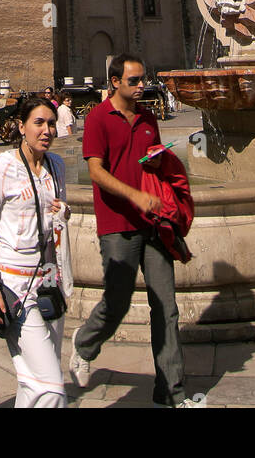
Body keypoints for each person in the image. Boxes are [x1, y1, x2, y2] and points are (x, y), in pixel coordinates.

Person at [69, 53, 201, 408]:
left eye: (143, 79)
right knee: (118, 300)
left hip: (153, 225)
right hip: (117, 225)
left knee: (166, 308)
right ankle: (84, 343)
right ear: (115, 82)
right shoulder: (98, 118)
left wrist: (160, 165)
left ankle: (171, 394)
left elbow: (149, 160)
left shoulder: (147, 117)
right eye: (134, 80)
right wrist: (135, 196)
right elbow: (96, 172)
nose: (142, 85)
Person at [0, 95, 70, 408]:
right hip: (16, 286)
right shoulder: (2, 168)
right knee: (52, 387)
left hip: (50, 284)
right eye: (38, 123)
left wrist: (62, 212)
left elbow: (58, 216)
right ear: (21, 126)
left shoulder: (57, 166)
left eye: (51, 124)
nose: (47, 130)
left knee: (32, 382)